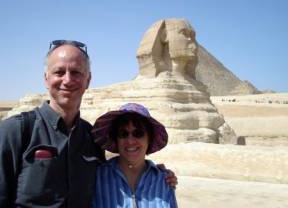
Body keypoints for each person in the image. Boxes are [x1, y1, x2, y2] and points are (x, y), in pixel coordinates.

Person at [0, 40, 177, 207]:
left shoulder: (91, 138)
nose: (67, 80)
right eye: (59, 72)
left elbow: (116, 172)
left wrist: (155, 172)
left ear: (88, 80)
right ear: (46, 78)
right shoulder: (16, 131)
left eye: (76, 72)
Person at [91, 103, 178, 207]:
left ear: (149, 139)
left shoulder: (164, 181)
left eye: (138, 133)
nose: (130, 141)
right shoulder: (97, 178)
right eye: (123, 134)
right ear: (116, 139)